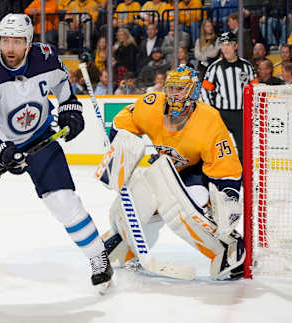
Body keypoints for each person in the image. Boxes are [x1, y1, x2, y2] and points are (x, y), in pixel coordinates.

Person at [0, 13, 113, 292]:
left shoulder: (46, 57)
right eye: (4, 41)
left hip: (38, 135)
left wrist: (70, 109)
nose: (9, 48)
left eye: (17, 41)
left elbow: (62, 85)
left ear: (29, 43)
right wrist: (3, 149)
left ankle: (99, 258)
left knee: (63, 200)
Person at [101, 65, 245, 280]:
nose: (174, 94)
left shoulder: (209, 120)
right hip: (164, 167)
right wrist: (120, 150)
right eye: (171, 89)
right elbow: (122, 123)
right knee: (141, 203)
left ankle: (227, 248)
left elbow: (226, 167)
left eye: (180, 89)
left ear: (193, 91)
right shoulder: (152, 105)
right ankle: (124, 244)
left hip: (194, 174)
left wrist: (229, 196)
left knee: (185, 209)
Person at [201, 32, 257, 163]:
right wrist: (212, 111)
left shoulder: (246, 66)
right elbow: (205, 90)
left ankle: (244, 181)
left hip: (241, 115)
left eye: (229, 45)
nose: (225, 48)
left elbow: (255, 89)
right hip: (222, 114)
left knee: (244, 150)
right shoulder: (215, 67)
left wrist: (253, 110)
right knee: (218, 148)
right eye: (223, 45)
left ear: (236, 46)